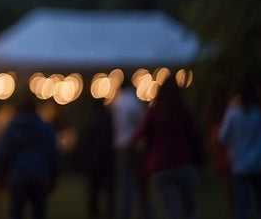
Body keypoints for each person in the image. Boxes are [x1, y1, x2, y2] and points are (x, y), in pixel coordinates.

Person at [133, 75, 199, 219]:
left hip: (161, 165)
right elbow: (193, 135)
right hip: (183, 162)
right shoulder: (183, 111)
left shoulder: (155, 113)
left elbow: (140, 134)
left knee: (172, 210)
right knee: (190, 209)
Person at [0, 95, 61, 219]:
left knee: (16, 212)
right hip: (40, 174)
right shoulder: (45, 128)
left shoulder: (12, 128)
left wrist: (0, 178)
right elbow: (54, 154)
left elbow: (3, 154)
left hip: (18, 175)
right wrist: (54, 177)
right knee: (39, 212)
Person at [218, 78, 261, 218]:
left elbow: (223, 137)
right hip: (260, 162)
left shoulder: (233, 114)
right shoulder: (260, 113)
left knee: (242, 207)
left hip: (240, 164)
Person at [112, 78, 152, 219]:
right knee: (139, 180)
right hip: (133, 145)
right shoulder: (133, 101)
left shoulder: (117, 102)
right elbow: (143, 120)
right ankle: (143, 210)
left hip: (120, 145)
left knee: (124, 180)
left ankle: (125, 210)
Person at [79, 96, 115, 219]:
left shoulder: (90, 120)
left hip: (94, 160)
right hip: (107, 158)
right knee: (109, 189)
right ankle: (110, 211)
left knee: (93, 190)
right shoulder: (109, 119)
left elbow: (85, 142)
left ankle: (93, 212)